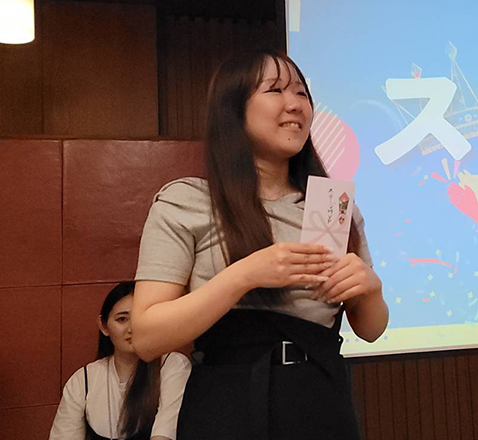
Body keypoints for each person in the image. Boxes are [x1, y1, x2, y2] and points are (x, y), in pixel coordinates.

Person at [131, 48, 388, 440]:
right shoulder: (187, 200)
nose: (295, 104)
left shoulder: (333, 206)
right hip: (226, 402)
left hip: (320, 401)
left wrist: (370, 289)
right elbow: (148, 337)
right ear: (233, 108)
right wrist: (246, 275)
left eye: (301, 93)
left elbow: (370, 330)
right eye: (275, 90)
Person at [49, 282, 191, 440]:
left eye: (139, 319)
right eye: (122, 319)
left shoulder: (172, 365)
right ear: (104, 326)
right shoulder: (83, 380)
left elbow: (165, 433)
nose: (131, 329)